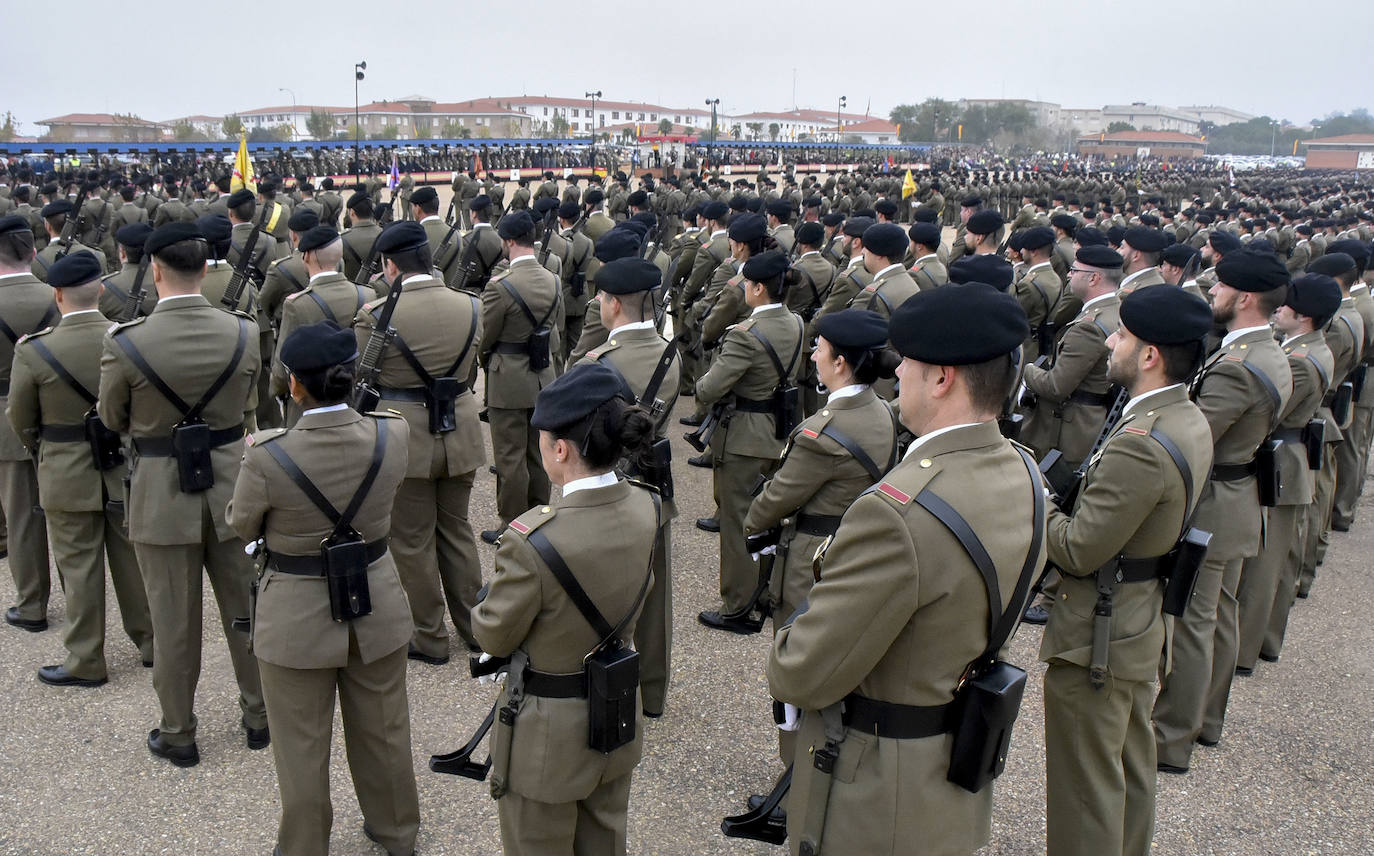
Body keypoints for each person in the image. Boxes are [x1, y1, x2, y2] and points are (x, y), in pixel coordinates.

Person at [768, 282, 1043, 856]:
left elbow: (801, 672)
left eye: (909, 365)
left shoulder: (898, 512)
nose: (897, 378)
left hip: (874, 789)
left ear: (942, 378)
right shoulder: (1026, 473)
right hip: (951, 769)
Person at [228, 321, 419, 856]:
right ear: (351, 375)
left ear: (293, 385)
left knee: (302, 748)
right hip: (375, 595)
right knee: (384, 731)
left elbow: (242, 525)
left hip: (295, 611)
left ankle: (306, 846)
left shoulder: (267, 455)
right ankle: (397, 832)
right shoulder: (392, 432)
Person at [1040, 286, 1215, 856]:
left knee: (1085, 784)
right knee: (1127, 767)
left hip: (1101, 630)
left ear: (1149, 356)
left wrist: (1035, 499)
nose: (1110, 342)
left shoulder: (1140, 442)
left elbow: (1077, 550)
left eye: (1120, 335)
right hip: (1136, 621)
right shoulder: (1183, 415)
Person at [97, 221, 269, 767]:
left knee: (172, 623)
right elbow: (251, 401)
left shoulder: (126, 344)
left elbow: (112, 417)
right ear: (204, 269)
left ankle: (179, 731)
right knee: (248, 611)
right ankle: (260, 717)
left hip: (159, 492)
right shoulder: (242, 331)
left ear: (155, 269)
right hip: (232, 489)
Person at [472, 362, 660, 856]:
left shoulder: (533, 540)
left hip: (548, 735)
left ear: (561, 450)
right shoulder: (647, 506)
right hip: (616, 710)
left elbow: (493, 634)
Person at [742, 307, 899, 774]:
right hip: (855, 545)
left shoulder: (822, 433)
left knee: (795, 673)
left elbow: (772, 503)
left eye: (821, 349)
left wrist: (754, 521)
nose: (813, 355)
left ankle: (794, 784)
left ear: (840, 363)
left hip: (811, 557)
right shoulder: (881, 411)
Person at [1153, 249, 1292, 773]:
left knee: (1191, 622)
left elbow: (1196, 437)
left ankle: (1171, 737)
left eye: (1220, 289)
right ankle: (1206, 719)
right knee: (1220, 616)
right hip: (1239, 502)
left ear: (1245, 298)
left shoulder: (1238, 367)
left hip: (1216, 502)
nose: (1212, 293)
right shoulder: (1266, 352)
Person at [8, 251, 153, 684]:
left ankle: (87, 657)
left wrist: (46, 451)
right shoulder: (127, 338)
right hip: (122, 465)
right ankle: (151, 642)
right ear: (102, 289)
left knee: (78, 566)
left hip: (65, 467)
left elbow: (21, 419)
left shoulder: (34, 352)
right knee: (132, 560)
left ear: (57, 294)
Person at [353, 220, 486, 665]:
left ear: (390, 266)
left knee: (411, 541)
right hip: (460, 426)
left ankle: (429, 635)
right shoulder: (471, 306)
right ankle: (475, 627)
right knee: (457, 529)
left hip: (404, 431)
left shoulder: (376, 316)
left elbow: (364, 379)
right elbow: (469, 370)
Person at [577, 257, 682, 718]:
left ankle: (597, 677)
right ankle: (652, 692)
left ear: (614, 303)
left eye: (601, 298)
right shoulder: (670, 354)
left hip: (607, 483)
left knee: (596, 586)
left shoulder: (596, 363)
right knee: (656, 594)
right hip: (654, 481)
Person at [695, 251, 805, 634]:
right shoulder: (795, 323)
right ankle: (763, 590)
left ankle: (738, 605)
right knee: (769, 518)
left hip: (743, 438)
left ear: (758, 288)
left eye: (747, 284)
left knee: (738, 520)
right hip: (778, 429)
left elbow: (709, 388)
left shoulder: (744, 335)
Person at [1243, 275, 1338, 670]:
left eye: (1285, 307)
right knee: (1278, 561)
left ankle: (1246, 649)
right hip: (1292, 458)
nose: (1277, 310)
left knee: (1264, 569)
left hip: (1282, 461)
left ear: (1304, 316)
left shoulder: (1298, 361)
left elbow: (1271, 414)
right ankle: (1264, 640)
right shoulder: (1311, 347)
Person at [479, 211, 561, 544]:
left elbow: (487, 338)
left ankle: (511, 523)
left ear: (510, 242)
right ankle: (540, 513)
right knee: (539, 452)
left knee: (510, 456)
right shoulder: (552, 279)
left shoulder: (500, 287)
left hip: (508, 377)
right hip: (543, 374)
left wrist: (485, 361)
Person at [0, 214, 57, 632]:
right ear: (33, 252)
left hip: (5, 416)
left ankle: (33, 603)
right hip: (59, 416)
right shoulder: (57, 295)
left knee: (21, 516)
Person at [1020, 245, 1124, 465]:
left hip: (1068, 431)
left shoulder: (1088, 327)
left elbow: (1057, 386)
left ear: (1094, 278)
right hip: (1088, 422)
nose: (1069, 274)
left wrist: (1026, 371)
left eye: (1075, 271)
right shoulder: (1116, 309)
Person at [272, 226, 371, 427]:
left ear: (306, 256)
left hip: (309, 404)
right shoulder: (367, 295)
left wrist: (277, 389)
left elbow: (283, 367)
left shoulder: (297, 304)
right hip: (354, 398)